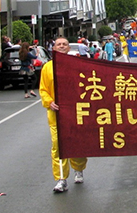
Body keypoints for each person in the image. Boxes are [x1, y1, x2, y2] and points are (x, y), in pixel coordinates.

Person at [40, 36, 88, 193]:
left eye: (64, 44)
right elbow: (43, 89)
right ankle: (61, 179)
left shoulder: (77, 65)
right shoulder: (47, 68)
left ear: (69, 48)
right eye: (58, 44)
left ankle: (78, 169)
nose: (61, 46)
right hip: (56, 115)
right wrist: (49, 102)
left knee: (78, 143)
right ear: (53, 48)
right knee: (58, 146)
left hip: (76, 113)